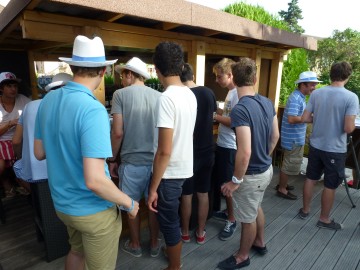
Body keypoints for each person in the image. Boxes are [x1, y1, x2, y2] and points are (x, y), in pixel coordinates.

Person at [34, 35, 139, 270]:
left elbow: (39, 152)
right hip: (93, 210)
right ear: (103, 71)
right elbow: (95, 180)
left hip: (62, 205)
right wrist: (129, 204)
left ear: (72, 67)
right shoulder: (93, 110)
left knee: (76, 251)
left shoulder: (48, 100)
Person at [218, 57, 279, 269]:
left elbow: (244, 152)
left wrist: (235, 181)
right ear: (255, 78)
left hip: (251, 174)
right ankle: (259, 242)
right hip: (267, 169)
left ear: (234, 78)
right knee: (255, 207)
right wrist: (265, 157)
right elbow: (275, 136)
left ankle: (242, 256)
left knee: (246, 218)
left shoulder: (240, 109)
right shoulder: (267, 102)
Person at [148, 42, 197, 270]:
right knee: (172, 219)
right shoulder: (189, 94)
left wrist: (152, 188)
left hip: (169, 173)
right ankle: (174, 257)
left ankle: (174, 266)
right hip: (184, 168)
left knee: (169, 222)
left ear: (156, 68)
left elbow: (164, 150)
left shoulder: (166, 98)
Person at [108, 57, 161, 258]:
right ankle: (155, 243)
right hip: (155, 163)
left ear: (130, 74)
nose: (122, 80)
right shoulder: (158, 96)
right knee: (153, 205)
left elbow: (117, 132)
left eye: (123, 75)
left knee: (132, 206)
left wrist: (112, 159)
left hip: (131, 163)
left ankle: (136, 243)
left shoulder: (120, 95)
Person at [299, 61, 359, 230]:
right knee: (330, 184)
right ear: (347, 76)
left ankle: (305, 210)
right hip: (334, 149)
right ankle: (324, 219)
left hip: (316, 145)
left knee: (311, 178)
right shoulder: (351, 97)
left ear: (331, 74)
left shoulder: (317, 94)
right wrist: (352, 123)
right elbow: (348, 128)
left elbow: (304, 118)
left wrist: (319, 118)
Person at [179, 63, 216, 245]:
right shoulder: (208, 92)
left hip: (188, 152)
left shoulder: (182, 95)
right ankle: (200, 232)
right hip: (208, 149)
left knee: (186, 194)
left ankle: (185, 233)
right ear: (192, 75)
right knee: (203, 193)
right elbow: (213, 116)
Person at [276, 71, 321, 200]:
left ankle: (283, 184)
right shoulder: (296, 98)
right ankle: (282, 189)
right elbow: (291, 119)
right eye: (312, 84)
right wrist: (310, 119)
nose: (314, 87)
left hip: (293, 138)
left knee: (289, 162)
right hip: (293, 139)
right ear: (303, 85)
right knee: (289, 164)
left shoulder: (299, 97)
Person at [212, 58, 238, 241]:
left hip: (230, 146)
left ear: (230, 75)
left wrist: (214, 116)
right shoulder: (230, 93)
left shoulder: (236, 94)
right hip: (223, 144)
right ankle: (228, 212)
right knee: (222, 182)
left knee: (228, 185)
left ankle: (232, 219)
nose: (217, 80)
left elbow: (234, 122)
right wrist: (218, 111)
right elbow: (227, 115)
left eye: (219, 76)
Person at [0, 72, 30, 198]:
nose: (13, 89)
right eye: (9, 86)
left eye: (15, 86)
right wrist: (10, 123)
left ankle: (26, 187)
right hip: (2, 141)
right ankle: (7, 185)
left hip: (22, 140)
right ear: (1, 88)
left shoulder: (23, 99)